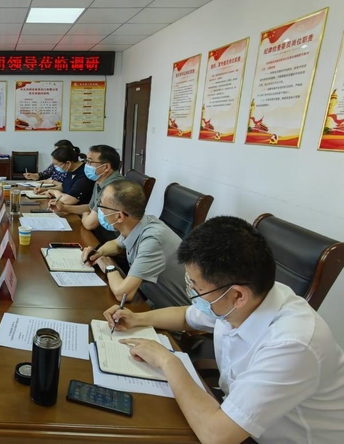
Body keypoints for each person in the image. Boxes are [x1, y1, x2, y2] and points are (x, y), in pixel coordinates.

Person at [103, 216, 344, 444]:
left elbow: (216, 435)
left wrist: (167, 361)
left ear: (238, 296)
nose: (192, 293)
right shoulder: (244, 298)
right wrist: (136, 318)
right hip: (237, 418)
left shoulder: (292, 344)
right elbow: (187, 317)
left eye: (196, 287)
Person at [82, 180, 188, 308]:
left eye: (102, 206)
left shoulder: (153, 240)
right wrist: (98, 253)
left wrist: (109, 267)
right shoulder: (138, 223)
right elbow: (117, 244)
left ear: (119, 217)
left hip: (176, 315)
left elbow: (123, 294)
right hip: (152, 301)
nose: (100, 210)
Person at [48, 145, 124, 243]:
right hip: (98, 234)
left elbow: (89, 224)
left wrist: (85, 215)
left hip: (109, 240)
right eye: (86, 161)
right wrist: (64, 208)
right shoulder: (99, 181)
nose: (86, 165)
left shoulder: (113, 188)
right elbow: (90, 208)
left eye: (90, 162)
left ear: (106, 167)